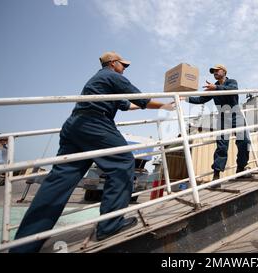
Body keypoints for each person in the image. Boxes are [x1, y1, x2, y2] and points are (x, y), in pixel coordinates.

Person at [10, 51, 175, 252]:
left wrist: (157, 105)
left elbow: (128, 105)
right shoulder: (112, 76)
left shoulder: (102, 83)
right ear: (113, 63)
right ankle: (110, 225)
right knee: (123, 162)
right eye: (123, 65)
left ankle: (24, 244)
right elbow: (141, 99)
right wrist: (167, 105)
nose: (124, 69)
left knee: (60, 179)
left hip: (75, 126)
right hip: (95, 123)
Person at [184, 64, 252, 186]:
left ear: (224, 71)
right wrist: (185, 98)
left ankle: (241, 168)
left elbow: (232, 90)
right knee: (222, 146)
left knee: (244, 141)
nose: (215, 72)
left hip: (236, 114)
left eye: (217, 70)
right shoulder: (213, 88)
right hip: (223, 116)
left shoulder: (231, 82)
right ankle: (216, 175)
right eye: (213, 71)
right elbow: (201, 100)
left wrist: (215, 87)